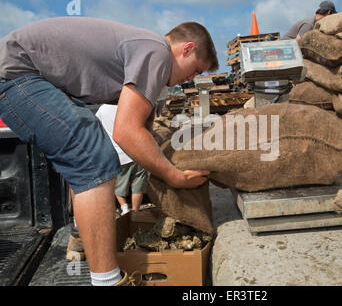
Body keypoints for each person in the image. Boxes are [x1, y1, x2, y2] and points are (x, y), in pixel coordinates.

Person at [0, 17, 218, 286]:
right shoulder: (157, 51)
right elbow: (126, 133)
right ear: (186, 48)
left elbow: (143, 129)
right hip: (16, 74)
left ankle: (80, 236)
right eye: (196, 69)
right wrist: (173, 176)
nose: (191, 79)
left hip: (37, 78)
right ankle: (108, 282)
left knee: (82, 151)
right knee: (93, 158)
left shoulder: (148, 59)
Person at [95, 103, 152, 215]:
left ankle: (124, 208)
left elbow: (96, 125)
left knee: (118, 185)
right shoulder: (130, 105)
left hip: (118, 154)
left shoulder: (103, 108)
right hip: (137, 152)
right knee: (138, 184)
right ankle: (135, 211)